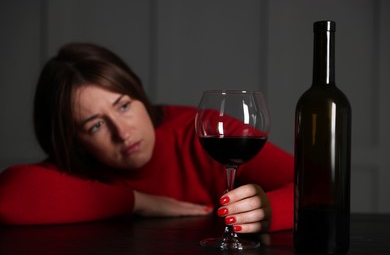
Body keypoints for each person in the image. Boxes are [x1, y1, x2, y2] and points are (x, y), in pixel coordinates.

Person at [0, 43, 293, 233]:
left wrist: (270, 211)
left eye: (124, 106)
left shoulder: (204, 130)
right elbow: (8, 199)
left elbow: (319, 184)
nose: (123, 133)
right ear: (74, 140)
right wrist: (138, 201)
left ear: (139, 94)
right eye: (96, 125)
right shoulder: (79, 164)